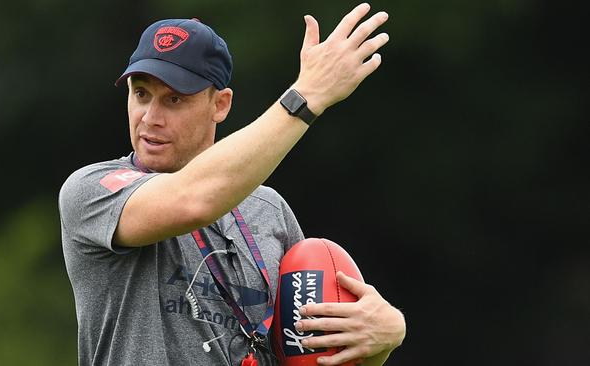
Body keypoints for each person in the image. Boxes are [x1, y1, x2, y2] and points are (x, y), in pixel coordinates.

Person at [59, 3, 405, 366]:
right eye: (141, 94)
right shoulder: (92, 190)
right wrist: (307, 97)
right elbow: (193, 200)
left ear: (220, 105)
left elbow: (313, 352)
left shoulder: (269, 210)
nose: (151, 117)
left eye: (174, 99)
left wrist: (383, 336)